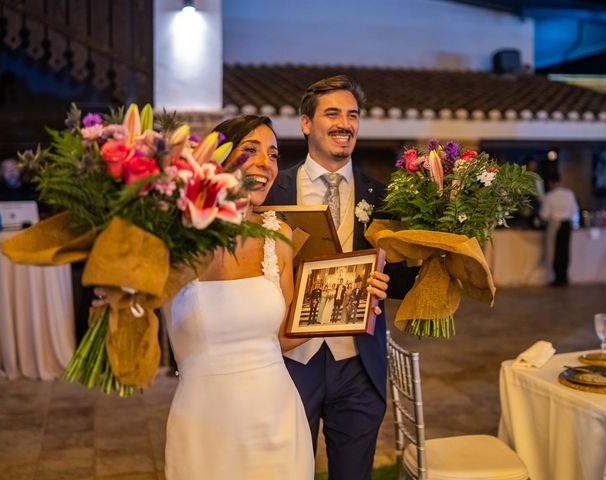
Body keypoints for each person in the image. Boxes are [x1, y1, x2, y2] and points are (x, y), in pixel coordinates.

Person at [93, 114, 390, 479]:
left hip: (277, 419)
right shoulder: (169, 238)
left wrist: (353, 300)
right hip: (203, 424)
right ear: (216, 159)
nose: (266, 163)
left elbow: (283, 338)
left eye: (274, 153)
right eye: (251, 150)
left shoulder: (277, 235)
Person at [264, 75, 396, 479]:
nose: (345, 123)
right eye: (333, 113)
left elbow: (403, 278)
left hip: (357, 363)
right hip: (290, 360)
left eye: (352, 115)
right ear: (306, 123)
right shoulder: (272, 191)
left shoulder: (384, 196)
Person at [540, 172, 579, 286]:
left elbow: (544, 215)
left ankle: (557, 278)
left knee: (555, 251)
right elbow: (575, 210)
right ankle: (564, 277)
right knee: (565, 252)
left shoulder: (549, 196)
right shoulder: (569, 194)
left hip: (555, 225)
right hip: (567, 225)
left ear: (550, 183)